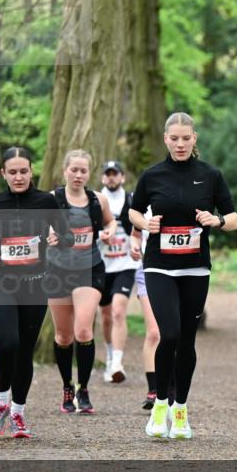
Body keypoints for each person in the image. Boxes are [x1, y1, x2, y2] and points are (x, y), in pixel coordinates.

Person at [128, 112, 237, 439]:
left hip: (195, 266)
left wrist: (215, 221)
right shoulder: (152, 175)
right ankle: (160, 404)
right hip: (159, 265)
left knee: (188, 340)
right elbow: (133, 211)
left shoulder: (210, 175)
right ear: (166, 139)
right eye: (174, 138)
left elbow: (233, 218)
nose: (180, 144)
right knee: (170, 334)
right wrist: (143, 223)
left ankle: (181, 411)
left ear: (195, 140)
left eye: (185, 138)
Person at [0, 146, 74, 438]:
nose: (19, 177)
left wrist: (60, 237)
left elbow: (67, 235)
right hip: (1, 284)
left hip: (34, 286)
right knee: (7, 342)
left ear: (32, 171)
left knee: (25, 351)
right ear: (3, 174)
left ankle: (18, 412)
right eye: (13, 172)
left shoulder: (46, 201)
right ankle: (0, 404)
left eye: (24, 171)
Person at [46, 149, 116, 415]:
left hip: (90, 269)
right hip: (58, 270)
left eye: (83, 171)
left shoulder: (98, 199)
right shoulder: (52, 199)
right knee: (63, 336)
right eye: (73, 169)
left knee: (83, 331)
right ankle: (67, 386)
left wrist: (108, 233)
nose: (78, 175)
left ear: (89, 173)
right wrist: (49, 235)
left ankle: (83, 388)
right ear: (65, 170)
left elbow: (109, 224)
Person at [97, 160, 140, 383]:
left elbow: (142, 229)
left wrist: (137, 247)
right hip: (101, 266)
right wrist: (101, 236)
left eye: (115, 174)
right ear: (103, 178)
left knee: (118, 312)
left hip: (126, 264)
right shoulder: (95, 201)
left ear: (122, 177)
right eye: (108, 174)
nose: (111, 178)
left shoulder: (132, 200)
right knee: (105, 317)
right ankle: (109, 354)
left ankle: (117, 363)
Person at [129, 219, 164, 410]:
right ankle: (153, 390)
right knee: (154, 333)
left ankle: (172, 387)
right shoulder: (142, 201)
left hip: (176, 270)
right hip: (147, 269)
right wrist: (135, 248)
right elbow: (135, 235)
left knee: (172, 333)